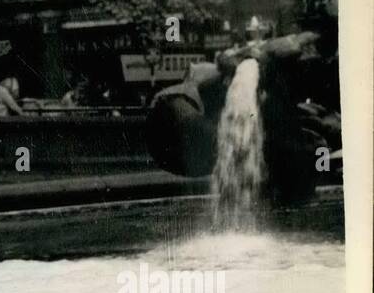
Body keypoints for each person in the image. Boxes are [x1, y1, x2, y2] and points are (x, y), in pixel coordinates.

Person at [145, 29, 341, 203]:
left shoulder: (286, 93)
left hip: (177, 125)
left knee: (301, 141)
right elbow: (230, 61)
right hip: (175, 113)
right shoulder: (283, 59)